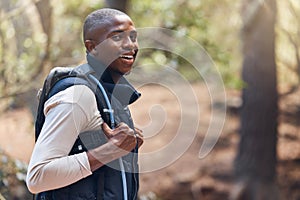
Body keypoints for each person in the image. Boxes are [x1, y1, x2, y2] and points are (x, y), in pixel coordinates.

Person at [26, 8, 144, 200]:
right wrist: (112, 149)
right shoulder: (78, 96)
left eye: (133, 36)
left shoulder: (109, 94)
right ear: (92, 47)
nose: (130, 45)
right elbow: (37, 177)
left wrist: (125, 143)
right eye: (117, 38)